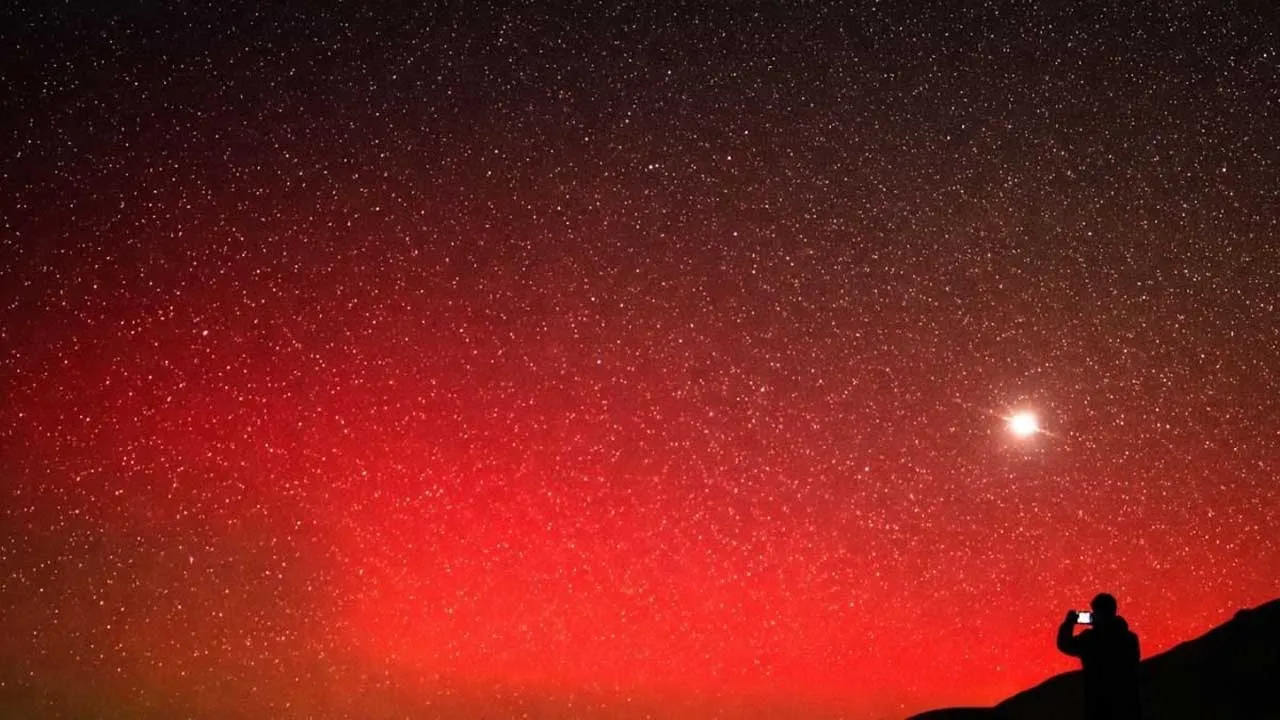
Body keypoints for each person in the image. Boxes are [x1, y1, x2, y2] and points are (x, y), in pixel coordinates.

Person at [1057, 593, 1142, 720]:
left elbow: (1064, 644)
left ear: (1097, 612)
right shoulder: (1130, 638)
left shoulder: (1090, 639)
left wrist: (1069, 623)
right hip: (1127, 703)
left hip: (1098, 704)